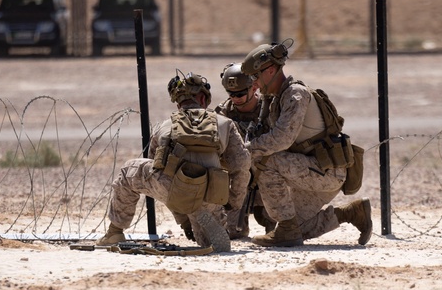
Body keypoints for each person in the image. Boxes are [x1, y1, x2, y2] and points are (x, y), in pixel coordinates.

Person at [96, 71, 251, 253]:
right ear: (203, 98)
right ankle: (201, 217)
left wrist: (181, 218)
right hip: (212, 193)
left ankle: (115, 232)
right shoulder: (225, 123)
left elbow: (158, 170)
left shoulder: (164, 126)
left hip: (176, 190)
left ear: (178, 103)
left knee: (132, 171)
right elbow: (242, 165)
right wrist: (232, 203)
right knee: (206, 241)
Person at [239, 39, 372, 247]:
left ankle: (285, 229)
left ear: (271, 70)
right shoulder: (275, 99)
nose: (253, 83)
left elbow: (282, 138)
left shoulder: (295, 95)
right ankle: (352, 214)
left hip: (326, 171)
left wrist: (244, 151)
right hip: (310, 170)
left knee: (268, 163)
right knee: (297, 229)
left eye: (256, 76)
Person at [213, 62, 274, 239]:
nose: (236, 98)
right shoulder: (222, 114)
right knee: (233, 233)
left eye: (240, 93)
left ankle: (266, 212)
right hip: (237, 182)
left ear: (254, 87)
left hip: (267, 178)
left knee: (279, 227)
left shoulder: (269, 109)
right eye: (231, 94)